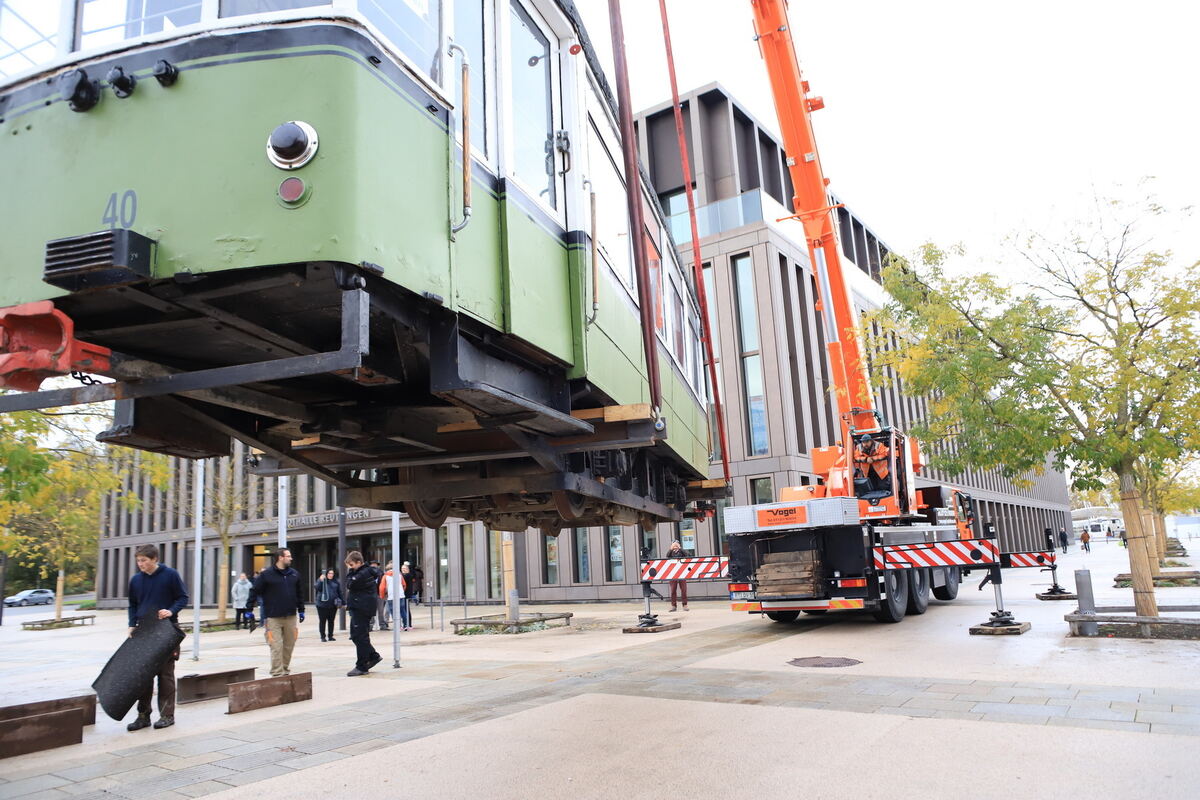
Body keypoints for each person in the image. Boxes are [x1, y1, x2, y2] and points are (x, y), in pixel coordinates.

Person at [126, 544, 189, 732]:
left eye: (144, 560)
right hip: (144, 631)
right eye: (138, 561)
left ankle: (167, 715)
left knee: (165, 674)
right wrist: (132, 624)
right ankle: (143, 716)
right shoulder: (136, 580)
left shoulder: (170, 575)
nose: (140, 564)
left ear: (154, 559)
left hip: (167, 630)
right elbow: (132, 605)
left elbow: (183, 597)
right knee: (143, 676)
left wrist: (171, 611)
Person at [245, 548, 305, 677]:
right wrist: (249, 609)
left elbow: (300, 593)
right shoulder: (266, 575)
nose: (291, 558)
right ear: (280, 558)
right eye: (288, 556)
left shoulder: (294, 574)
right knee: (276, 647)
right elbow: (254, 591)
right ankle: (277, 674)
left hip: (291, 616)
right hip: (273, 618)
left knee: (289, 646)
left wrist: (301, 610)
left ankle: (285, 670)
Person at [344, 551, 383, 676]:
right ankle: (373, 656)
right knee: (356, 636)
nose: (350, 568)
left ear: (359, 563)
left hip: (361, 607)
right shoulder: (364, 572)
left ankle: (362, 665)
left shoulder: (362, 574)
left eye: (351, 565)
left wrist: (351, 572)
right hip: (360, 606)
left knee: (360, 636)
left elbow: (349, 584)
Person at [314, 568, 342, 642]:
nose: (331, 575)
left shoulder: (336, 582)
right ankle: (323, 636)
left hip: (332, 605)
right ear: (326, 574)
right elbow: (317, 587)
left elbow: (339, 592)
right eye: (329, 573)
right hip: (322, 605)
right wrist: (320, 580)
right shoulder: (322, 580)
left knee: (331, 621)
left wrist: (343, 602)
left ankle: (330, 636)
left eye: (332, 573)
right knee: (322, 621)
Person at [666, 540, 689, 612]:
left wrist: (680, 548)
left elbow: (687, 555)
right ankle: (673, 605)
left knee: (683, 589)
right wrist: (670, 549)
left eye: (676, 545)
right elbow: (667, 556)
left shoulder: (682, 552)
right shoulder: (670, 552)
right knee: (673, 590)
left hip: (682, 572)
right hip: (672, 573)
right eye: (674, 545)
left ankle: (685, 605)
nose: (675, 546)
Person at [398, 563, 414, 630]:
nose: (403, 570)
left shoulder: (407, 575)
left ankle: (408, 624)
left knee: (406, 609)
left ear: (407, 570)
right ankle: (406, 624)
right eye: (402, 569)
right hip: (404, 594)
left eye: (404, 569)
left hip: (406, 594)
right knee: (405, 609)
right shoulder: (403, 575)